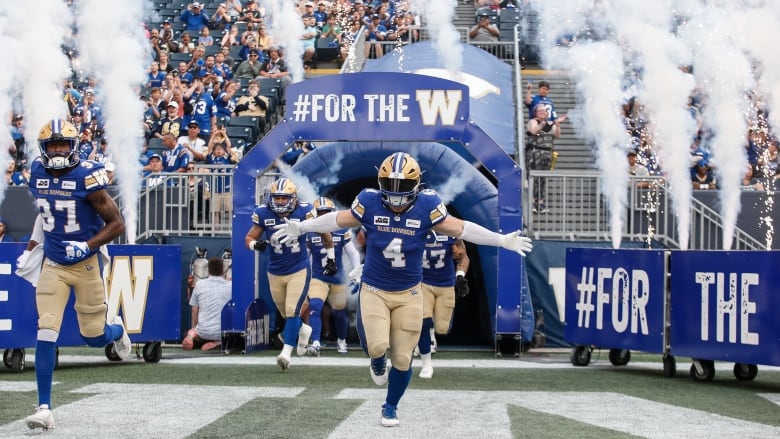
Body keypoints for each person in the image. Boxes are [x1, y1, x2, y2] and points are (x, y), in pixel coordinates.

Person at [272, 152, 532, 427]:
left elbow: (462, 228)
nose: (396, 193)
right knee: (377, 346)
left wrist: (500, 240)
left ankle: (390, 406)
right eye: (391, 184)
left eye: (403, 186)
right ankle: (375, 360)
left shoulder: (428, 205)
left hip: (409, 292)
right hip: (374, 288)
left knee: (403, 357)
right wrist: (302, 227)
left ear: (417, 184)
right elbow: (337, 219)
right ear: (381, 181)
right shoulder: (370, 201)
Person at [21, 119, 129, 431]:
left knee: (93, 338)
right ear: (43, 149)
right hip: (53, 264)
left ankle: (117, 332)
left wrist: (85, 246)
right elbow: (46, 215)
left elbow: (117, 223)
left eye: (61, 145)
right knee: (46, 330)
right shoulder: (38, 172)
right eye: (51, 146)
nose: (56, 151)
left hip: (85, 265)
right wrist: (31, 249)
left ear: (73, 147)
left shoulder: (86, 176)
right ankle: (44, 407)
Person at [244, 178, 335, 371]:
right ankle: (304, 330)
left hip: (299, 268)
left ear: (293, 198)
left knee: (293, 310)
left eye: (284, 198)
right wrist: (254, 245)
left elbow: (324, 233)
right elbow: (250, 236)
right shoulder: (263, 212)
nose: (279, 202)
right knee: (286, 313)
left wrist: (331, 259)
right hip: (275, 270)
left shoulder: (304, 211)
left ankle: (286, 352)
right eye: (276, 198)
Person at [305, 196, 362, 356]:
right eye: (320, 212)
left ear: (332, 213)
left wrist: (356, 273)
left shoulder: (342, 230)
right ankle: (315, 342)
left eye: (326, 212)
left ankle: (341, 340)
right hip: (318, 276)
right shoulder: (310, 231)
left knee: (339, 311)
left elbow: (353, 254)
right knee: (315, 307)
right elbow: (306, 257)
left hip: (337, 278)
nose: (323, 215)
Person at [416, 232, 469, 379]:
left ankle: (429, 334)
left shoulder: (450, 233)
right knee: (424, 322)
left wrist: (460, 276)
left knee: (442, 328)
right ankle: (426, 363)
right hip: (423, 283)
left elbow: (463, 256)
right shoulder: (416, 229)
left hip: (445, 285)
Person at [183, 257, 232, 351]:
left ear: (208, 270)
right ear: (223, 270)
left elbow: (194, 310)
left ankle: (191, 337)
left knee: (191, 332)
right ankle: (218, 342)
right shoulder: (231, 286)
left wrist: (197, 328)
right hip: (222, 333)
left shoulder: (199, 284)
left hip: (203, 333)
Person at [525, 104, 562, 213]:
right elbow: (533, 131)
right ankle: (532, 201)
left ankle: (540, 202)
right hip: (535, 153)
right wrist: (542, 123)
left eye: (544, 111)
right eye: (540, 111)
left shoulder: (551, 123)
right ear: (536, 113)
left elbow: (557, 135)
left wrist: (558, 125)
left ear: (547, 113)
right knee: (533, 178)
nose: (542, 113)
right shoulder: (533, 122)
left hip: (547, 154)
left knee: (543, 179)